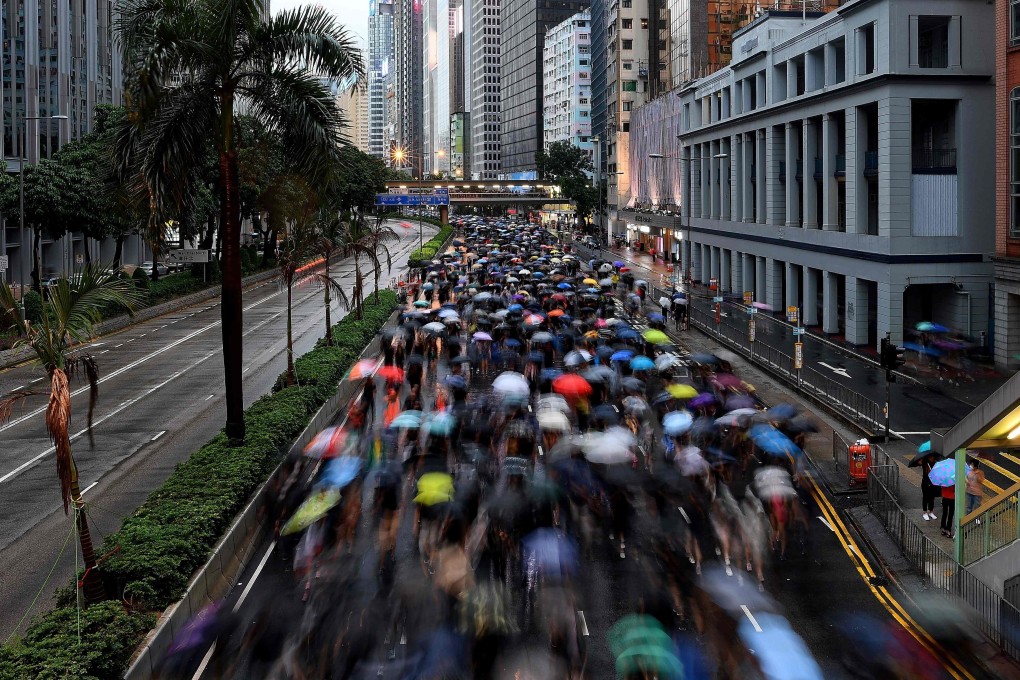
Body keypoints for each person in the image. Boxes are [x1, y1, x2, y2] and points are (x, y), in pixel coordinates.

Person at [920, 454, 937, 521]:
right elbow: (925, 476)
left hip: (933, 483)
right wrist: (928, 483)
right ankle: (925, 512)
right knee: (925, 498)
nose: (932, 458)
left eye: (933, 457)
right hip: (926, 484)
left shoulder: (935, 464)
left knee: (932, 498)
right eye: (930, 457)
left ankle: (931, 511)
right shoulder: (925, 464)